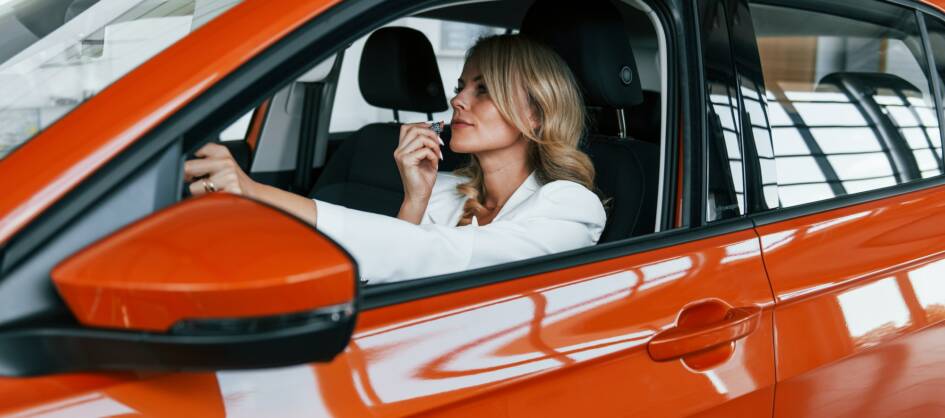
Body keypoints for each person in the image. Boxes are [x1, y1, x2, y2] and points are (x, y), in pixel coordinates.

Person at [184, 34, 606, 283]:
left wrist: (255, 192)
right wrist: (415, 200)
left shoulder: (570, 207)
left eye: (483, 90)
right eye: (461, 86)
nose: (457, 100)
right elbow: (393, 280)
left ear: (535, 112)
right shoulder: (443, 190)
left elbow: (432, 253)